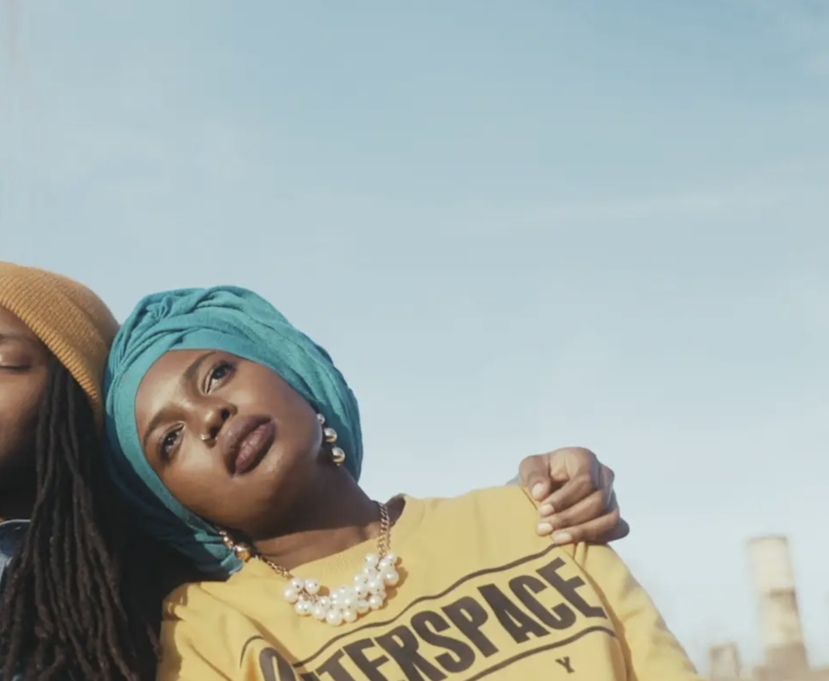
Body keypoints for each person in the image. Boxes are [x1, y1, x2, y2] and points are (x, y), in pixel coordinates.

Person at [0, 262, 631, 681]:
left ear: (71, 406)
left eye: (3, 361)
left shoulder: (156, 601)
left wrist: (549, 488)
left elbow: (331, 557)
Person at [102, 285, 699, 681]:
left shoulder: (539, 517)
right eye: (169, 441)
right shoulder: (210, 631)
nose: (209, 417)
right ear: (178, 506)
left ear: (293, 375)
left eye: (219, 373)